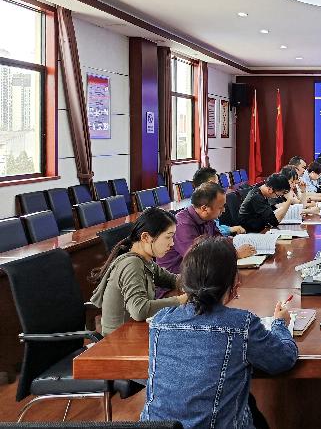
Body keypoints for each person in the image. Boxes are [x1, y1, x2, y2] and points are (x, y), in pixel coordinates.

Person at [141, 236, 298, 429]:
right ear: (233, 280)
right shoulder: (242, 325)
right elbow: (282, 359)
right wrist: (280, 323)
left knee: (248, 404)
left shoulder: (160, 321)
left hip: (156, 426)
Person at [90, 208, 188, 336]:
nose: (172, 243)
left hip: (133, 332)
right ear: (145, 237)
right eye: (168, 237)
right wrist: (182, 299)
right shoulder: (132, 264)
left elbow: (173, 280)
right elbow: (139, 310)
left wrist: (198, 282)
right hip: (119, 340)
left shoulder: (146, 261)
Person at [159, 183, 255, 275]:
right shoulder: (182, 225)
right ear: (204, 209)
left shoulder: (207, 218)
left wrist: (235, 241)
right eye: (220, 207)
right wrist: (235, 254)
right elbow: (197, 260)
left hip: (201, 273)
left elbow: (219, 240)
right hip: (177, 279)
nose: (224, 210)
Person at [191, 166, 245, 236]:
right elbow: (210, 233)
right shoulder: (201, 206)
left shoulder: (207, 200)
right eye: (216, 183)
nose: (219, 187)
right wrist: (230, 229)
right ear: (209, 184)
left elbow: (215, 227)